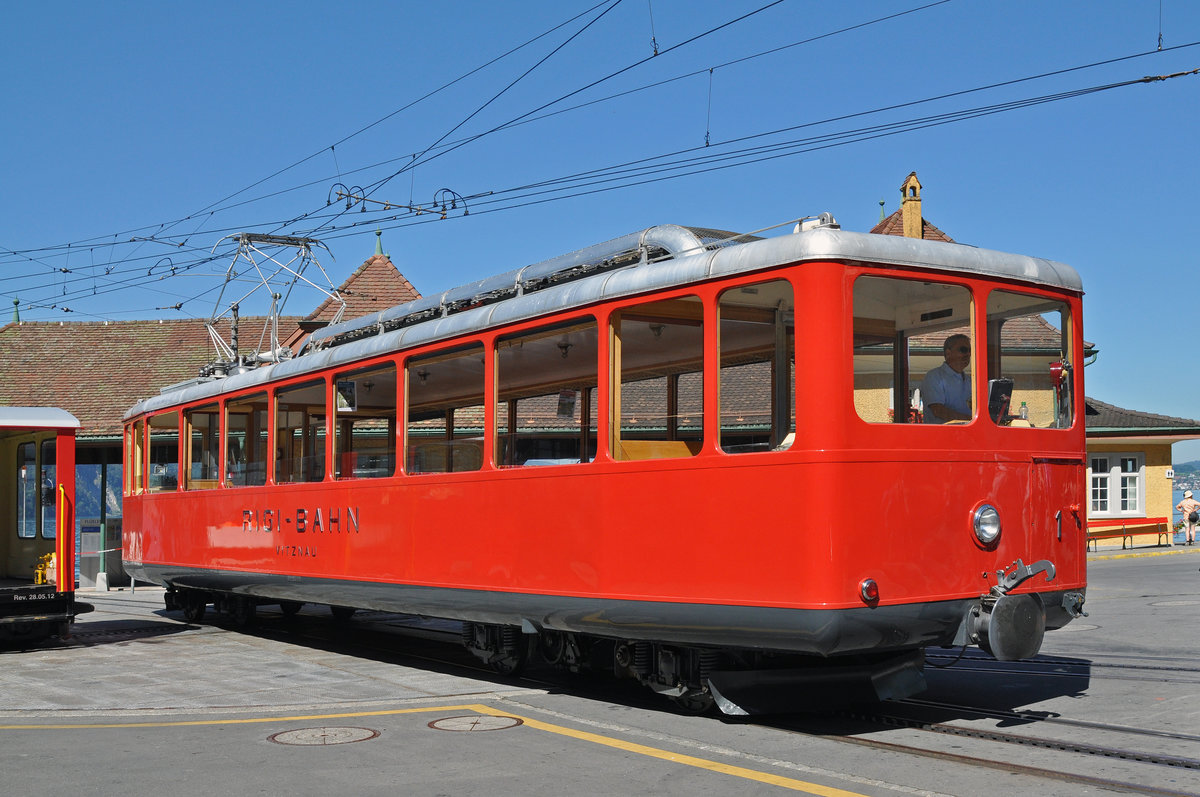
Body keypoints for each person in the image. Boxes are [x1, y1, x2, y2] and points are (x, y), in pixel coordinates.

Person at [921, 333, 972, 423]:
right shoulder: (934, 377)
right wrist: (972, 421)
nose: (968, 354)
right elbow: (939, 411)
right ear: (948, 353)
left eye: (970, 350)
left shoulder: (971, 381)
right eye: (963, 350)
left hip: (968, 434)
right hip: (941, 435)